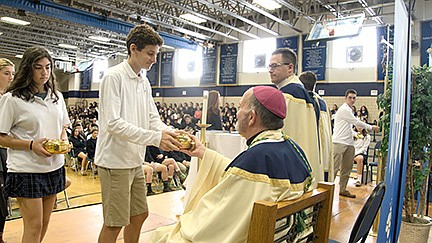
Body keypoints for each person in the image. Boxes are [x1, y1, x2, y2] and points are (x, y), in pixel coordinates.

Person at [150, 86, 313, 242]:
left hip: (260, 237)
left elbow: (217, 222)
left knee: (163, 235)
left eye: (241, 107)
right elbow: (240, 176)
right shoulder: (292, 148)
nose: (237, 113)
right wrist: (203, 152)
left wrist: (190, 220)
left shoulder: (257, 157)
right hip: (284, 235)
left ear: (252, 117)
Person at [94, 23, 183, 243]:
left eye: (156, 54)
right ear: (133, 49)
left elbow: (153, 118)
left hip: (134, 160)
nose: (154, 59)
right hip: (115, 161)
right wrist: (155, 138)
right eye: (150, 53)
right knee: (114, 223)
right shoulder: (113, 77)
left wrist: (171, 133)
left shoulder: (143, 81)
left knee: (140, 214)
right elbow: (113, 123)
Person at [0, 46, 70, 243]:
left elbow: (63, 126)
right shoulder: (12, 99)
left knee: (45, 223)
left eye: (48, 67)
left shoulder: (57, 97)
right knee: (34, 226)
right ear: (28, 69)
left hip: (54, 167)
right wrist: (31, 145)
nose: (44, 73)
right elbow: (1, 137)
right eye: (38, 67)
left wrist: (63, 140)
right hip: (26, 169)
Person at [269, 48, 323, 187]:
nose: (270, 70)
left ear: (290, 67)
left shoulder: (289, 94)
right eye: (269, 66)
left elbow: (281, 134)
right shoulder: (299, 91)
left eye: (275, 66)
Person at [333, 89, 379, 198]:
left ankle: (342, 189)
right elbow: (356, 122)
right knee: (334, 168)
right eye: (350, 97)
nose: (352, 100)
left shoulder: (350, 110)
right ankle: (327, 190)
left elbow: (347, 126)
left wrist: (354, 133)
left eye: (354, 98)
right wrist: (371, 127)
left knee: (347, 168)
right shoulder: (344, 109)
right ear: (345, 98)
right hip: (339, 142)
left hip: (349, 143)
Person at [299, 71, 334, 182]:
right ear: (315, 85)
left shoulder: (302, 101)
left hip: (309, 150)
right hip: (324, 155)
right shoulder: (323, 103)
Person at [0, 58, 15, 243]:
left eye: (12, 74)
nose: (10, 78)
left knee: (3, 196)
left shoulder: (10, 99)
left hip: (6, 152)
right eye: (6, 73)